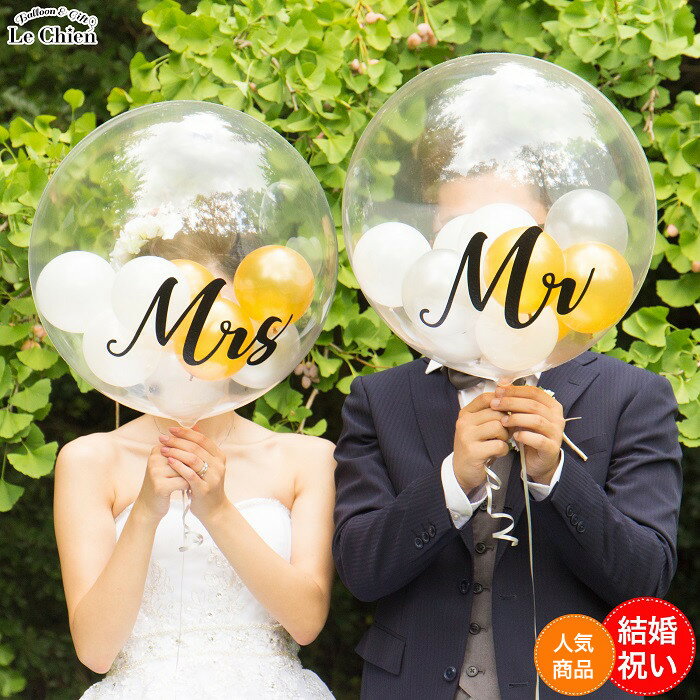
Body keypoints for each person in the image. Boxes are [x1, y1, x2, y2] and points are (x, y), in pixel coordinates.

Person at [332, 171, 683, 699]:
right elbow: (361, 572)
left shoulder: (632, 395)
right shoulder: (379, 398)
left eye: (513, 232)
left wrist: (556, 477)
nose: (491, 259)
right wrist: (451, 483)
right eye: (463, 231)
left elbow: (646, 580)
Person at [54, 225, 337, 699]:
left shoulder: (307, 458)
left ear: (248, 325)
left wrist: (218, 511)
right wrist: (145, 511)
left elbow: (307, 623)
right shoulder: (89, 460)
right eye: (173, 320)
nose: (194, 339)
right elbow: (96, 650)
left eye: (214, 315)